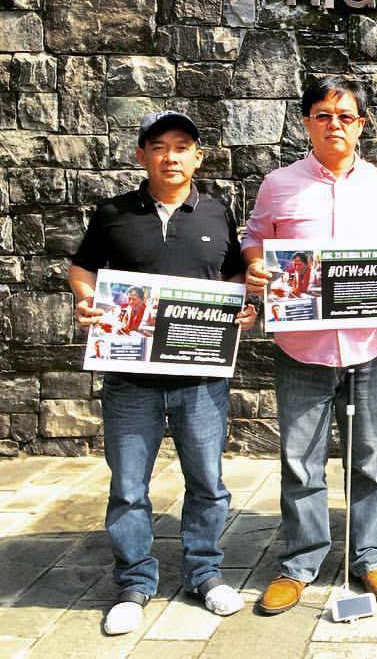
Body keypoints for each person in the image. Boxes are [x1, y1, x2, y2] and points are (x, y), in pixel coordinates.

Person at [67, 110, 257, 635]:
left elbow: (235, 271)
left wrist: (245, 303)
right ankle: (133, 582)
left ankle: (205, 573)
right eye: (159, 146)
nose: (170, 156)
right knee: (129, 487)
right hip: (130, 380)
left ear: (198, 157)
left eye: (181, 147)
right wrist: (86, 298)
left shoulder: (217, 213)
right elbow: (81, 267)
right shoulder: (113, 213)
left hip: (200, 379)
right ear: (142, 156)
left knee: (207, 482)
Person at [243, 76, 377, 614]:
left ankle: (369, 556)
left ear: (362, 124)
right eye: (323, 114)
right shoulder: (278, 184)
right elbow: (254, 240)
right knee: (300, 461)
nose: (334, 124)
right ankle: (300, 563)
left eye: (345, 116)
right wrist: (253, 268)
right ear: (306, 122)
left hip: (369, 342)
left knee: (370, 459)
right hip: (302, 344)